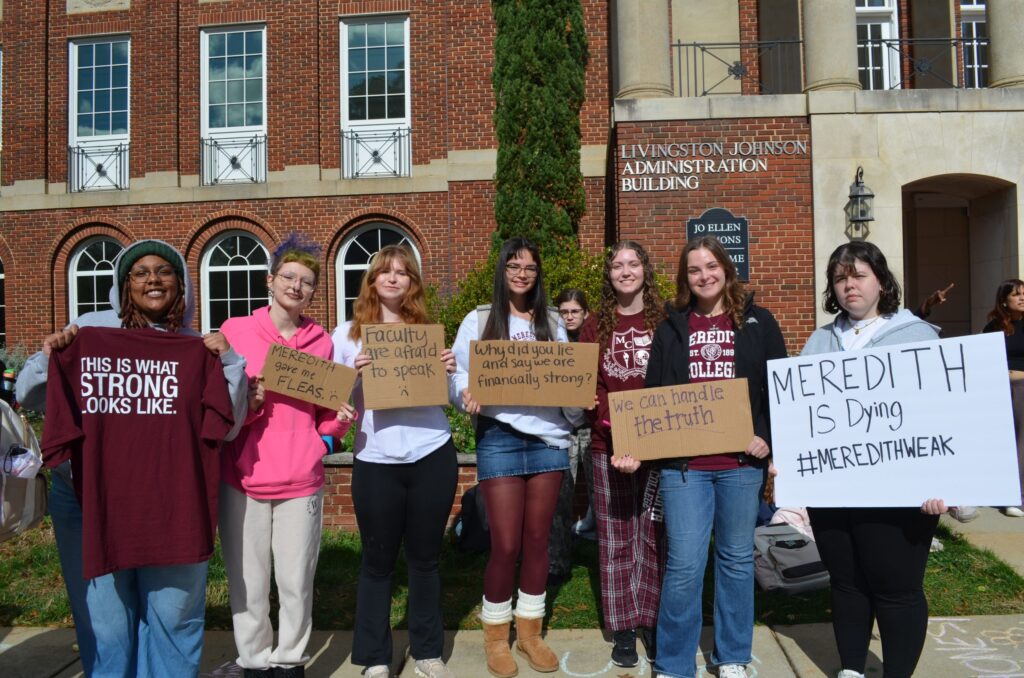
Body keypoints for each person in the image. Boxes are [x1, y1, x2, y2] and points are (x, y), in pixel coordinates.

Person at [16, 239, 249, 678]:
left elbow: (227, 426)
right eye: (140, 272)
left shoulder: (195, 347)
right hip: (93, 499)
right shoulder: (88, 330)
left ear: (181, 284)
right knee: (107, 626)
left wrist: (230, 361)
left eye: (164, 271)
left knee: (174, 616)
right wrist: (52, 355)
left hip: (172, 502)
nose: (153, 280)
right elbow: (28, 394)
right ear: (124, 285)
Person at [639, 235, 786, 678]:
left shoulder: (759, 322)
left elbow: (780, 389)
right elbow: (653, 395)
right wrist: (641, 444)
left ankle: (733, 656)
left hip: (741, 465)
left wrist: (768, 437)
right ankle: (673, 662)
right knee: (685, 563)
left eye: (711, 266)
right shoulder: (671, 326)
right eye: (694, 270)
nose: (704, 276)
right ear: (686, 278)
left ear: (726, 268)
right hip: (685, 468)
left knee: (737, 560)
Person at [802, 241, 948, 678]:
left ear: (881, 282)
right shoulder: (821, 340)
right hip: (834, 490)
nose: (849, 285)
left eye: (859, 275)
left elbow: (943, 416)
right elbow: (804, 414)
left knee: (896, 588)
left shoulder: (918, 336)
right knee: (846, 583)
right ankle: (851, 668)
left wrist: (944, 483)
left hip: (900, 493)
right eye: (840, 277)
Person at [218, 237, 355, 678]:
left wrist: (331, 434)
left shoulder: (322, 344)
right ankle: (254, 661)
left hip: (301, 477)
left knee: (295, 582)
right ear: (270, 280)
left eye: (308, 282)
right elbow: (218, 405)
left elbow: (326, 414)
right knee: (248, 582)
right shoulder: (235, 331)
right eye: (290, 277)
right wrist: (251, 402)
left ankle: (289, 660)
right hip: (243, 476)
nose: (297, 287)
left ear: (315, 292)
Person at [332, 245, 459, 678]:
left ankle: (427, 651)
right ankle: (374, 657)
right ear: (371, 281)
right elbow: (335, 402)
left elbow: (456, 393)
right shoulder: (347, 334)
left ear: (413, 283)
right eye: (384, 272)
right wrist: (354, 377)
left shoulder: (428, 331)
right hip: (376, 455)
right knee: (376, 562)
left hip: (431, 451)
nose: (392, 279)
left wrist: (450, 369)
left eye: (402, 273)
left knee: (425, 560)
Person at [451, 237, 572, 678]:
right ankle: (496, 636)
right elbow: (459, 376)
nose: (522, 274)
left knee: (538, 541)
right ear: (501, 271)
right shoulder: (480, 319)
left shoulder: (554, 322)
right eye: (514, 266)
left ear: (538, 275)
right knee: (505, 543)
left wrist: (577, 403)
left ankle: (530, 634)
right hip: (499, 438)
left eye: (530, 268)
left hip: (548, 440)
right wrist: (463, 393)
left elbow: (567, 379)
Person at [577, 242, 666, 667]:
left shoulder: (666, 321)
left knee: (652, 534)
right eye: (617, 265)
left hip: (661, 443)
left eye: (633, 264)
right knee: (614, 537)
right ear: (608, 274)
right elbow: (591, 387)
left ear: (645, 271)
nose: (625, 271)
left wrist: (647, 434)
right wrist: (619, 433)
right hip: (607, 444)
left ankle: (652, 618)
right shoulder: (594, 326)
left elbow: (675, 378)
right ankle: (624, 629)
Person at [547, 288, 595, 585]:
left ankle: (604, 561)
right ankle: (557, 564)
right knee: (559, 500)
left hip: (590, 429)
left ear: (585, 313)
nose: (569, 317)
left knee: (600, 498)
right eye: (564, 312)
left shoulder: (594, 342)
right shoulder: (553, 343)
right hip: (562, 428)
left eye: (575, 311)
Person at [983, 278, 1024, 518]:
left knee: (1020, 442)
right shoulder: (994, 327)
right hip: (998, 388)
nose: (1021, 298)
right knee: (1002, 442)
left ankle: (1016, 498)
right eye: (1016, 294)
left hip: (1022, 387)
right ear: (1004, 301)